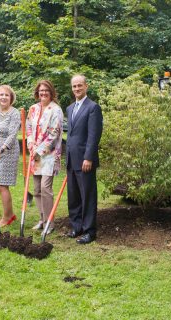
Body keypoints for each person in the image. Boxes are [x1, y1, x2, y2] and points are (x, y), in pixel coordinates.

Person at [65, 74, 103, 244]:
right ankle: (77, 226)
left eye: (80, 85)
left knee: (87, 196)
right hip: (71, 160)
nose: (77, 89)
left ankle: (89, 231)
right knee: (73, 196)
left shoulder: (93, 107)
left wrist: (88, 157)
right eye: (74, 86)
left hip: (85, 161)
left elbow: (94, 136)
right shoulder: (70, 108)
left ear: (86, 86)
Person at [26, 80, 63, 234]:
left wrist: (39, 151)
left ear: (51, 92)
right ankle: (41, 219)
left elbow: (54, 133)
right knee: (36, 189)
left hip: (49, 154)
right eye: (41, 91)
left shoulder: (56, 110)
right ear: (37, 92)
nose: (43, 93)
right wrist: (30, 144)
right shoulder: (33, 109)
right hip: (34, 153)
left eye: (46, 91)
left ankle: (50, 222)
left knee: (45, 188)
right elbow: (28, 126)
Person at [0, 85, 21, 226]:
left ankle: (7, 217)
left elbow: (13, 135)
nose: (4, 97)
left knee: (2, 185)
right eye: (1, 95)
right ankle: (10, 214)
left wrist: (1, 150)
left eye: (6, 95)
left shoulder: (14, 113)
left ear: (11, 98)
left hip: (8, 151)